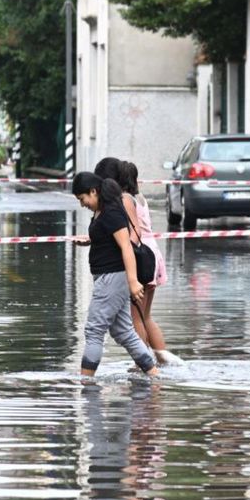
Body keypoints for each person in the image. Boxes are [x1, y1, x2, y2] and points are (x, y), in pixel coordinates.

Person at [93, 157, 182, 366]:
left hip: (141, 258)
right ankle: (164, 362)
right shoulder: (138, 197)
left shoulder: (124, 200)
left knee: (136, 319)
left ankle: (142, 365)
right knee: (146, 316)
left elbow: (132, 234)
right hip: (152, 255)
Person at [72, 172, 159, 377]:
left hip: (112, 278)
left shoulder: (111, 212)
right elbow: (110, 239)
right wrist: (92, 240)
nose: (82, 204)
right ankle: (153, 373)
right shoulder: (102, 211)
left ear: (93, 191)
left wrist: (133, 281)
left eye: (82, 199)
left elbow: (126, 247)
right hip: (110, 277)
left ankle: (85, 382)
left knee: (94, 331)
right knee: (124, 332)